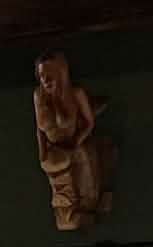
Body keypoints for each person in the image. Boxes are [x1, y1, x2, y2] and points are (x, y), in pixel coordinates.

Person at [33, 53, 114, 231]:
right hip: (55, 152)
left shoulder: (75, 94)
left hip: (74, 145)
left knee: (85, 184)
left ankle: (86, 209)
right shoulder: (39, 96)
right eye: (41, 76)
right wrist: (42, 153)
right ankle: (69, 215)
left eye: (49, 74)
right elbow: (40, 129)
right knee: (63, 192)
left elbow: (89, 123)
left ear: (61, 73)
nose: (45, 79)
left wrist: (77, 142)